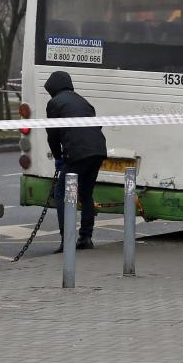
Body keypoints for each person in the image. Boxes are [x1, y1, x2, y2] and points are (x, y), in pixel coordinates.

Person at [45, 71, 108, 251]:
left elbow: (53, 134)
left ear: (53, 88)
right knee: (86, 194)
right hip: (98, 151)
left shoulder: (54, 103)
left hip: (78, 153)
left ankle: (67, 239)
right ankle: (85, 238)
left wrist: (58, 157)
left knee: (60, 193)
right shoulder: (82, 101)